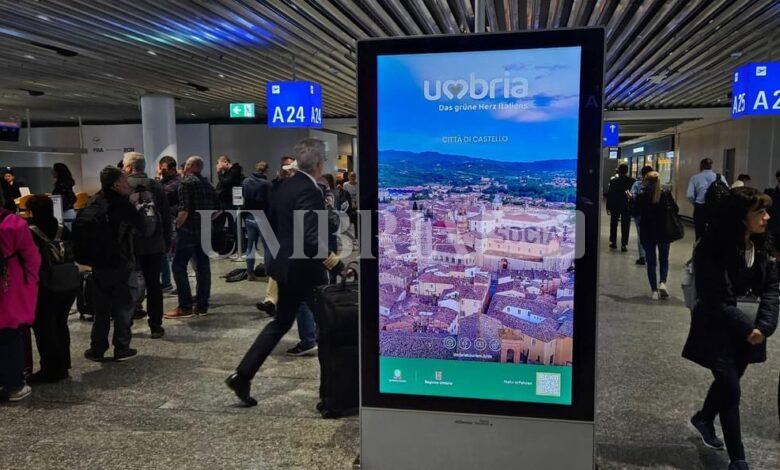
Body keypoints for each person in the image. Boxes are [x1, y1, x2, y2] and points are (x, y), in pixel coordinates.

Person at [226, 139, 342, 406]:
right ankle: (330, 395)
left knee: (279, 322)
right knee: (327, 329)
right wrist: (336, 263)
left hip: (285, 267)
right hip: (306, 270)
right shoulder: (310, 191)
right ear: (320, 164)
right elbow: (310, 239)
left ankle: (242, 375)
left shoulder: (284, 186)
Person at [682, 187, 778, 470]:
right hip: (718, 328)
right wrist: (749, 328)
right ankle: (738, 459)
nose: (766, 217)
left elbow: (772, 290)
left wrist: (764, 327)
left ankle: (703, 418)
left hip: (750, 333)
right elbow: (714, 297)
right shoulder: (711, 247)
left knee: (727, 383)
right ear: (739, 217)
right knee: (731, 389)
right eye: (758, 212)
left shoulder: (762, 247)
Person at [78, 166, 146, 362]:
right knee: (124, 307)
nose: (128, 185)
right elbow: (142, 229)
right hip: (121, 263)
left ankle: (97, 348)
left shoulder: (94, 201)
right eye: (125, 182)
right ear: (116, 185)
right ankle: (122, 347)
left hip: (99, 265)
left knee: (101, 309)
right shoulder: (122, 206)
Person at [27, 195, 75, 383]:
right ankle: (63, 365)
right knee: (61, 324)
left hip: (45, 285)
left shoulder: (31, 232)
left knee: (44, 327)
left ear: (32, 212)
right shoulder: (63, 230)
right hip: (67, 283)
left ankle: (50, 368)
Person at [123, 152, 171, 339]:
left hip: (131, 245)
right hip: (154, 243)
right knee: (154, 285)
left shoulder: (124, 186)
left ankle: (126, 324)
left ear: (128, 167)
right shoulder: (156, 185)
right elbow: (166, 216)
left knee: (129, 284)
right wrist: (167, 240)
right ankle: (156, 326)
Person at [165, 156, 220, 318]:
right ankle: (202, 306)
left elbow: (184, 211)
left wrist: (177, 225)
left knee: (178, 267)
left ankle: (185, 306)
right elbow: (219, 211)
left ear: (189, 166)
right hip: (204, 231)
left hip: (188, 231)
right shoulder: (208, 184)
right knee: (203, 268)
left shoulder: (185, 183)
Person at [0, 190, 41, 402]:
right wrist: (31, 283)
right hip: (9, 284)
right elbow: (31, 257)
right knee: (9, 335)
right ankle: (14, 385)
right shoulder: (12, 223)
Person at [255, 155, 296, 317]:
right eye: (284, 166)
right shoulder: (275, 185)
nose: (286, 169)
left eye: (289, 166)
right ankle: (270, 301)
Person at [635, 172, 679, 300]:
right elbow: (676, 209)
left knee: (651, 262)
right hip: (664, 232)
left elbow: (635, 212)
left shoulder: (642, 197)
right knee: (664, 260)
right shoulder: (665, 195)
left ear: (646, 181)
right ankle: (663, 283)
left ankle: (654, 291)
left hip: (647, 233)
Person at [242, 161, 271, 281]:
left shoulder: (246, 181)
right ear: (266, 170)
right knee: (267, 247)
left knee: (250, 246)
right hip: (263, 217)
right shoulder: (267, 184)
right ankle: (269, 273)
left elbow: (243, 196)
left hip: (249, 216)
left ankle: (250, 273)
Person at [157, 155, 181, 293]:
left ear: (172, 169)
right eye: (160, 169)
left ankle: (175, 285)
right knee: (165, 254)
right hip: (168, 221)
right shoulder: (165, 181)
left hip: (174, 221)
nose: (161, 172)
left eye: (164, 169)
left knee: (174, 256)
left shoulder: (177, 182)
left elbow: (161, 194)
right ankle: (166, 283)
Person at [687, 158, 723, 240]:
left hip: (700, 208)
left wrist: (695, 203)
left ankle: (699, 249)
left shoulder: (695, 178)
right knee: (716, 232)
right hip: (717, 209)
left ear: (701, 166)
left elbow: (690, 195)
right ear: (711, 166)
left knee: (700, 233)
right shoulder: (720, 177)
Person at [215, 155, 244, 245]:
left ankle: (239, 247)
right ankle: (226, 246)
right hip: (224, 202)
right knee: (222, 224)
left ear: (226, 162)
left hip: (231, 203)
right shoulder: (227, 172)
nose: (217, 165)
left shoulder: (235, 171)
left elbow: (226, 182)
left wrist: (219, 172)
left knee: (234, 225)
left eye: (218, 163)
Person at [605, 164, 635, 251]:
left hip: (615, 205)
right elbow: (632, 194)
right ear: (627, 171)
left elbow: (610, 195)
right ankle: (624, 244)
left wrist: (608, 206)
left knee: (613, 223)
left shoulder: (613, 181)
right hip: (626, 205)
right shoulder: (632, 181)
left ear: (618, 171)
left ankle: (613, 242)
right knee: (625, 225)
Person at [629, 165, 653, 265]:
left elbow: (632, 195)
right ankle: (650, 255)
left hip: (639, 213)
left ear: (642, 174)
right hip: (652, 214)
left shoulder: (638, 184)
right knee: (651, 234)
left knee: (641, 234)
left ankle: (642, 257)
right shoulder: (655, 185)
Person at [52, 163, 77, 229]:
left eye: (54, 170)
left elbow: (58, 206)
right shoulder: (69, 185)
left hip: (63, 216)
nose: (52, 172)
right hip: (71, 213)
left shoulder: (59, 187)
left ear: (58, 172)